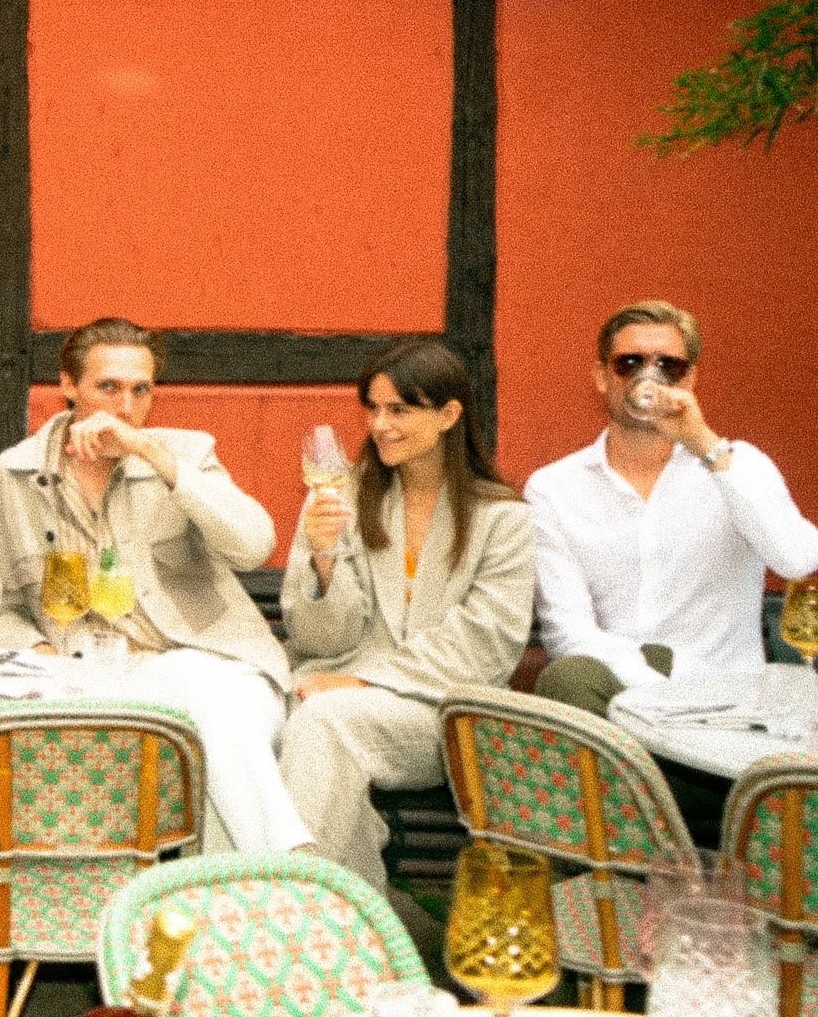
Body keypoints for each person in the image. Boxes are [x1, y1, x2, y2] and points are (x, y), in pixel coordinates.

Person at [0, 318, 300, 856]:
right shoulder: (6, 480)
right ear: (68, 385)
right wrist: (41, 654)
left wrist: (155, 457)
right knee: (205, 729)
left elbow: (254, 544)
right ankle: (279, 882)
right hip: (96, 681)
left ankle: (276, 870)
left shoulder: (186, 456)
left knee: (206, 701)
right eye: (108, 387)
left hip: (218, 665)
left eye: (140, 390)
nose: (125, 408)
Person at [277, 340, 533, 889]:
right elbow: (321, 640)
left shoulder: (502, 518)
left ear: (448, 414)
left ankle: (294, 911)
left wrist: (365, 678)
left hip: (441, 713)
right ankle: (360, 908)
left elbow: (486, 645)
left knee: (323, 721)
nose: (380, 425)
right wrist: (322, 559)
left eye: (399, 410)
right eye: (372, 409)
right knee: (251, 730)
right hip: (332, 694)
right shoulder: (340, 494)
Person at [528, 300, 818, 715]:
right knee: (567, 678)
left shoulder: (737, 463)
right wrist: (661, 688)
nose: (650, 376)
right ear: (600, 376)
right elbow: (567, 632)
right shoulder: (555, 487)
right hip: (622, 696)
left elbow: (797, 559)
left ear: (691, 378)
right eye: (629, 362)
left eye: (670, 366)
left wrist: (703, 443)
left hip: (727, 707)